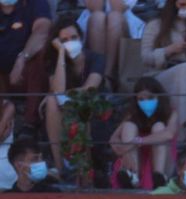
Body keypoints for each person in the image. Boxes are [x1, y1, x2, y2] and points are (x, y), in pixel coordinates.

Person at [41, 17, 107, 177]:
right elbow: (58, 90)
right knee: (51, 101)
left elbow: (89, 89)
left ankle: (84, 170)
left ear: (81, 38)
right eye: (64, 40)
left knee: (75, 103)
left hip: (90, 106)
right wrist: (61, 55)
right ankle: (59, 167)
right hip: (63, 106)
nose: (70, 42)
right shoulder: (54, 61)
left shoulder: (95, 58)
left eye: (73, 38)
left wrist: (60, 96)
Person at [140, 0, 186, 136]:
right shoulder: (156, 24)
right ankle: (184, 123)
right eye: (182, 4)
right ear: (173, 4)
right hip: (160, 74)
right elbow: (145, 57)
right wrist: (168, 50)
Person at [109, 77, 179, 189]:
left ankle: (159, 178)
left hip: (164, 162)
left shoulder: (171, 112)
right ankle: (132, 176)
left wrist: (137, 141)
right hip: (138, 160)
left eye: (150, 97)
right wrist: (122, 149)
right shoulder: (133, 113)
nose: (146, 102)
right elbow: (113, 138)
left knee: (158, 126)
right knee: (128, 126)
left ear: (159, 96)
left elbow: (168, 134)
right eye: (141, 99)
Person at [1, 0, 52, 136]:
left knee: (41, 51)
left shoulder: (35, 3)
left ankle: (30, 122)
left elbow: (42, 30)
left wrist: (22, 58)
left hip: (26, 73)